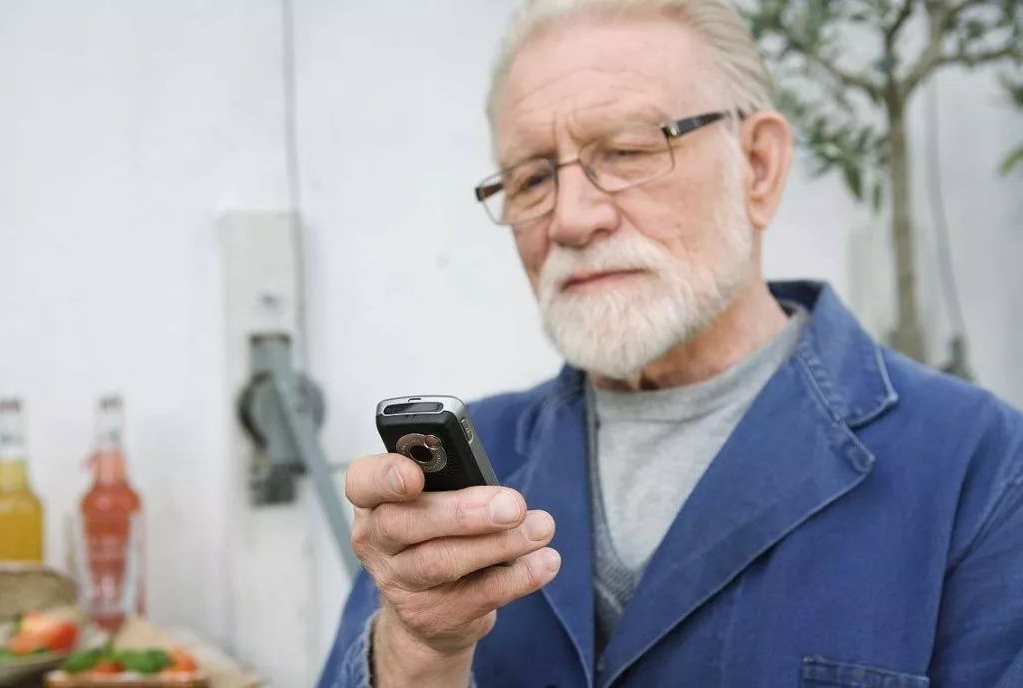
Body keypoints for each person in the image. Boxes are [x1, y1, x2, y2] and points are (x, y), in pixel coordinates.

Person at [319, 0, 1023, 686]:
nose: (571, 218)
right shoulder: (469, 470)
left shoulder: (975, 466)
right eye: (532, 178)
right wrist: (418, 652)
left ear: (758, 167)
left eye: (625, 152)